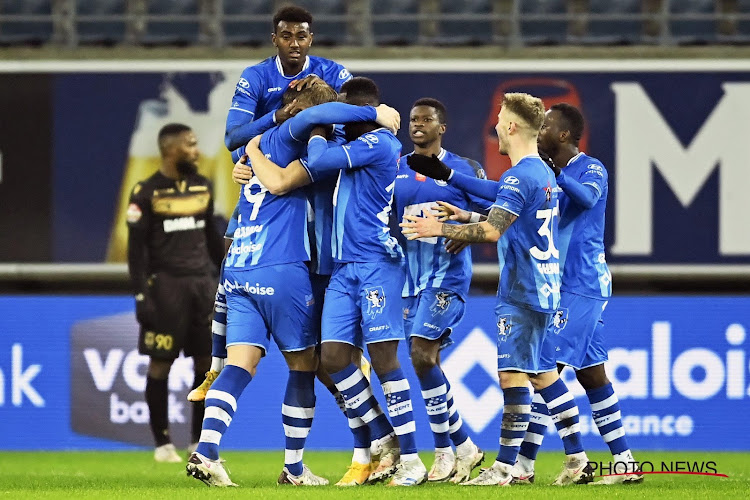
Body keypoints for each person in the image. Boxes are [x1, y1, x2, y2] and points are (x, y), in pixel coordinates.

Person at [186, 83, 401, 487]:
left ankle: (207, 450)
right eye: (333, 112)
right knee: (315, 366)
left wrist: (248, 152)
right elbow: (286, 176)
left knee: (247, 364)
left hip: (248, 265)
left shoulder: (267, 147)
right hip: (295, 266)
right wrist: (376, 115)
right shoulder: (301, 139)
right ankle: (308, 465)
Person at [243, 77, 426, 487]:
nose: (342, 120)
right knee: (333, 359)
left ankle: (412, 459)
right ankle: (383, 433)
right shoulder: (355, 143)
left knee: (383, 361)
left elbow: (321, 159)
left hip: (377, 263)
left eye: (349, 111)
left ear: (364, 110)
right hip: (344, 269)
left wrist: (319, 132)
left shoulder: (381, 143)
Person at [401, 93, 592, 486]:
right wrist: (457, 194)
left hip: (523, 288)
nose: (495, 129)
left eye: (500, 121)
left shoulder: (521, 175)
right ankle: (576, 459)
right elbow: (502, 205)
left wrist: (439, 227)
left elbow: (493, 229)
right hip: (543, 284)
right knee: (541, 375)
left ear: (510, 127)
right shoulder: (539, 173)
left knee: (513, 377)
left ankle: (505, 467)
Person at [188, 3, 353, 402]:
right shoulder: (257, 76)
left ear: (310, 39)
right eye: (286, 36)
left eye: (301, 36)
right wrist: (273, 122)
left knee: (320, 353)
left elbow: (353, 128)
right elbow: (232, 138)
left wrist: (291, 152)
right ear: (274, 38)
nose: (294, 44)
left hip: (318, 198)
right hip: (265, 194)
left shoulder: (335, 74)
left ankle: (362, 412)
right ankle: (216, 365)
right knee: (233, 262)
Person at [512, 103, 641, 485]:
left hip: (582, 284)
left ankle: (525, 465)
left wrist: (557, 175)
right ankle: (625, 463)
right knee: (592, 375)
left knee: (543, 369)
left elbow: (586, 199)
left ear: (564, 135)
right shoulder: (545, 173)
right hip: (558, 285)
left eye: (547, 124)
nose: (540, 129)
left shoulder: (591, 168)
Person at [394, 98, 487, 483]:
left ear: (441, 127)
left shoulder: (465, 169)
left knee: (421, 352)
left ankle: (444, 451)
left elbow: (498, 214)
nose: (417, 125)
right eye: (413, 119)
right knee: (425, 363)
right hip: (407, 281)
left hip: (446, 277)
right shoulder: (395, 167)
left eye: (426, 120)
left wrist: (466, 229)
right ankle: (465, 446)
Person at [126, 123, 224, 463]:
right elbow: (135, 253)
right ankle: (162, 444)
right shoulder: (145, 191)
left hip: (203, 285)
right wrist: (141, 296)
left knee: (205, 365)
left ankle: (197, 442)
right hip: (166, 287)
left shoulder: (202, 186)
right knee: (160, 365)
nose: (197, 151)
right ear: (171, 149)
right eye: (191, 145)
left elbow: (212, 240)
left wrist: (227, 277)